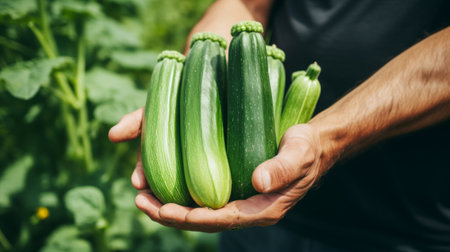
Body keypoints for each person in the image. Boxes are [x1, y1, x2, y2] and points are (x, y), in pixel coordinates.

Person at [108, 0, 450, 251]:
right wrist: (193, 79)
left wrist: (324, 139)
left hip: (401, 231)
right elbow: (242, 4)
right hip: (248, 209)